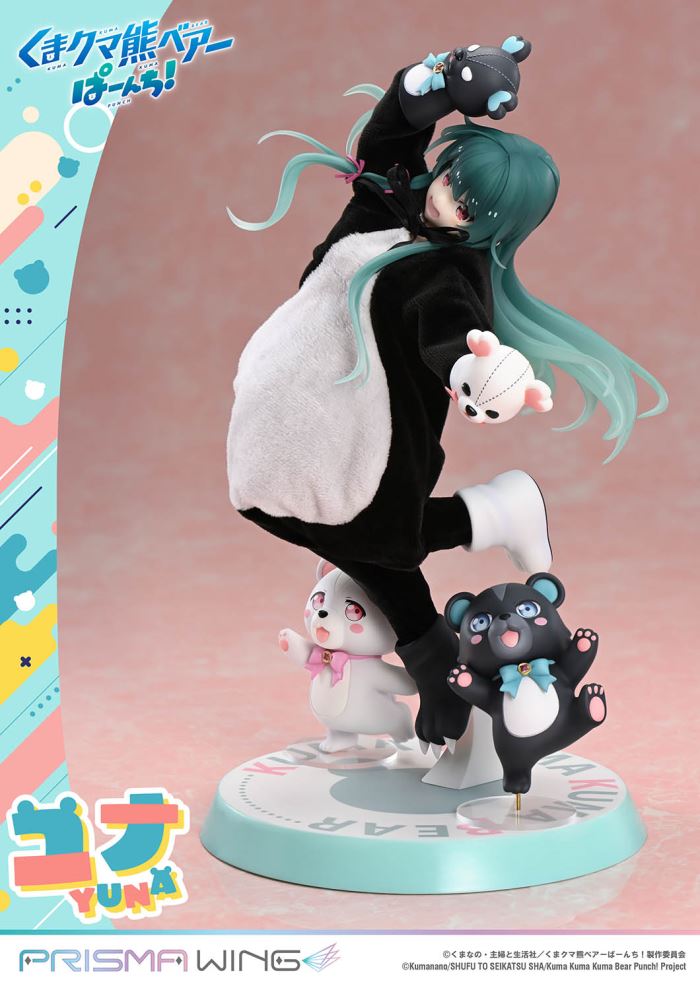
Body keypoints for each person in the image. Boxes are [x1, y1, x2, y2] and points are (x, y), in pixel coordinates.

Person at [226, 45, 667, 748]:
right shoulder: (391, 196)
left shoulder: (449, 271)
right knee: (295, 511)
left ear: (490, 225)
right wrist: (435, 84)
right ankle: (484, 521)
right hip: (288, 406)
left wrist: (477, 369)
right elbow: (388, 137)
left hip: (361, 434)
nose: (442, 199)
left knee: (373, 537)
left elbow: (451, 335)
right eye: (450, 179)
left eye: (465, 204)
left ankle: (435, 653)